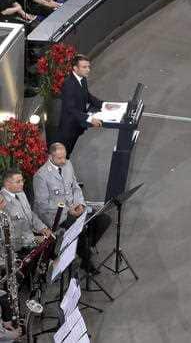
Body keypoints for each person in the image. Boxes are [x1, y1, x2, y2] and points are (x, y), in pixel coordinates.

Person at [33, 142, 112, 274]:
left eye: (64, 157)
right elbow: (42, 204)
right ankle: (86, 259)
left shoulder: (68, 164)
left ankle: (82, 247)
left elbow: (75, 187)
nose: (63, 161)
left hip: (75, 209)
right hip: (56, 216)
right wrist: (67, 210)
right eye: (59, 158)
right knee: (77, 228)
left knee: (105, 220)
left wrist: (80, 204)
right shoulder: (41, 176)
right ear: (51, 157)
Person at [57, 54, 104, 156]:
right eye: (84, 67)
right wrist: (90, 119)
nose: (88, 70)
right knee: (63, 155)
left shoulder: (82, 79)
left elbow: (87, 96)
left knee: (68, 154)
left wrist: (104, 104)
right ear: (75, 68)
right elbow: (71, 109)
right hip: (68, 129)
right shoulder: (68, 84)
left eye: (88, 67)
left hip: (77, 126)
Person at [1, 169, 53, 253]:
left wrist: (43, 228)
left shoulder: (20, 193)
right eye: (18, 182)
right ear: (7, 184)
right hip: (19, 248)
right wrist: (34, 240)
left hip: (31, 235)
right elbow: (10, 238)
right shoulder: (3, 204)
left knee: (53, 239)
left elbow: (30, 214)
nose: (22, 184)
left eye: (22, 180)